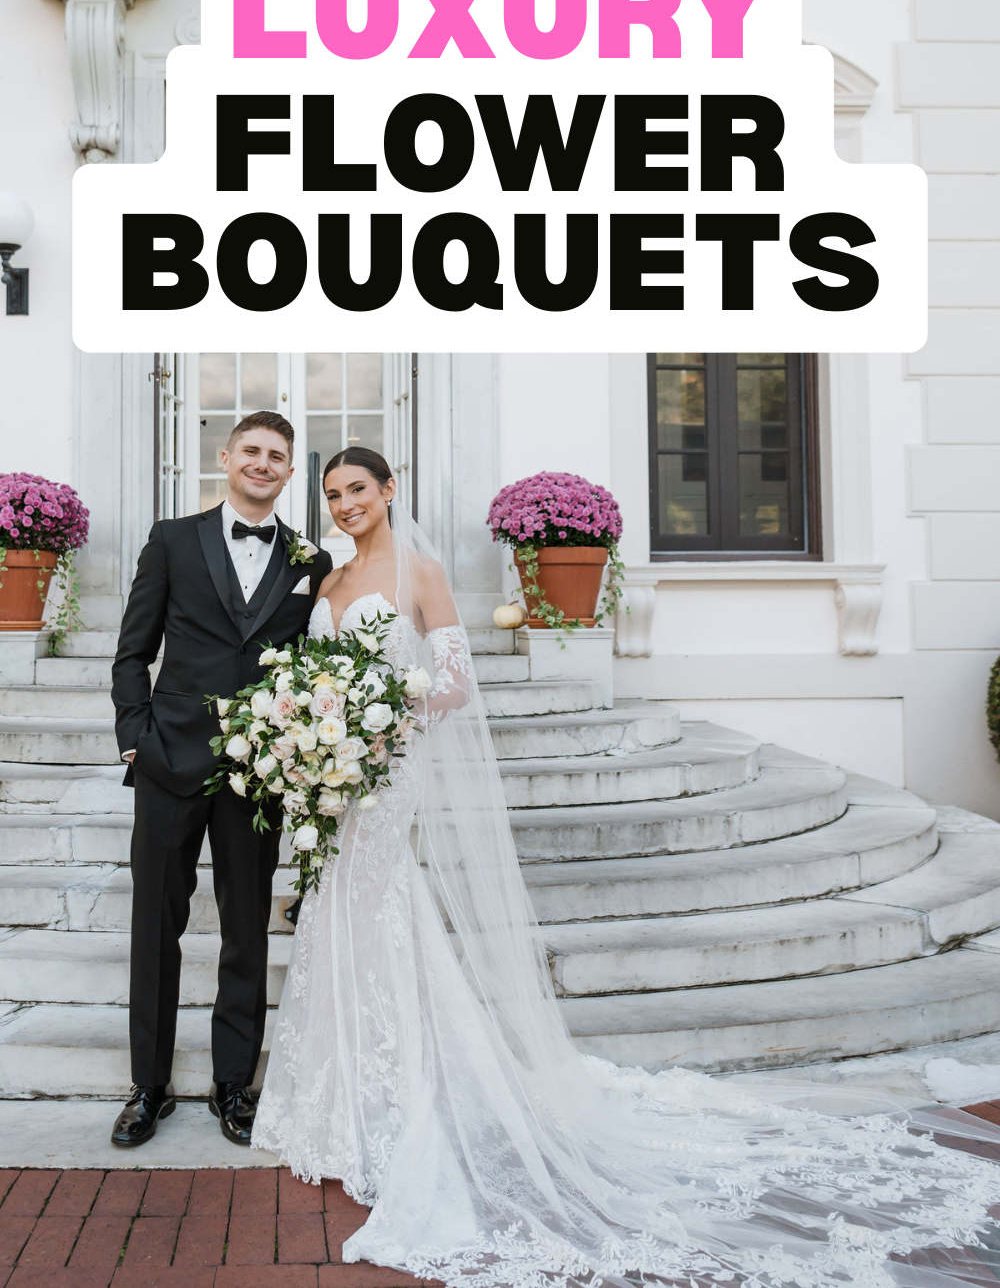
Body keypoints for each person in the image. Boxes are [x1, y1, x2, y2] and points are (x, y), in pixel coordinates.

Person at [252, 444, 1000, 1288]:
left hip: (387, 771)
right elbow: (311, 671)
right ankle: (335, 1099)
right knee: (336, 916)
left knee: (380, 912)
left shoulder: (417, 574)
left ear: (389, 490)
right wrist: (312, 722)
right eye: (333, 494)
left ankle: (397, 1098)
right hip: (334, 776)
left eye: (357, 489)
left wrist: (383, 711)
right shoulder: (327, 581)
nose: (345, 503)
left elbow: (455, 682)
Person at [109, 411, 332, 1148]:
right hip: (168, 762)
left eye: (277, 456)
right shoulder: (172, 538)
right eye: (252, 452)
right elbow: (132, 650)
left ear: (289, 471)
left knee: (244, 933)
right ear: (225, 457)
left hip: (257, 774)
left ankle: (234, 1085)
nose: (263, 464)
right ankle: (149, 1086)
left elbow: (312, 666)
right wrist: (134, 741)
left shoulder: (309, 560)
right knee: (155, 929)